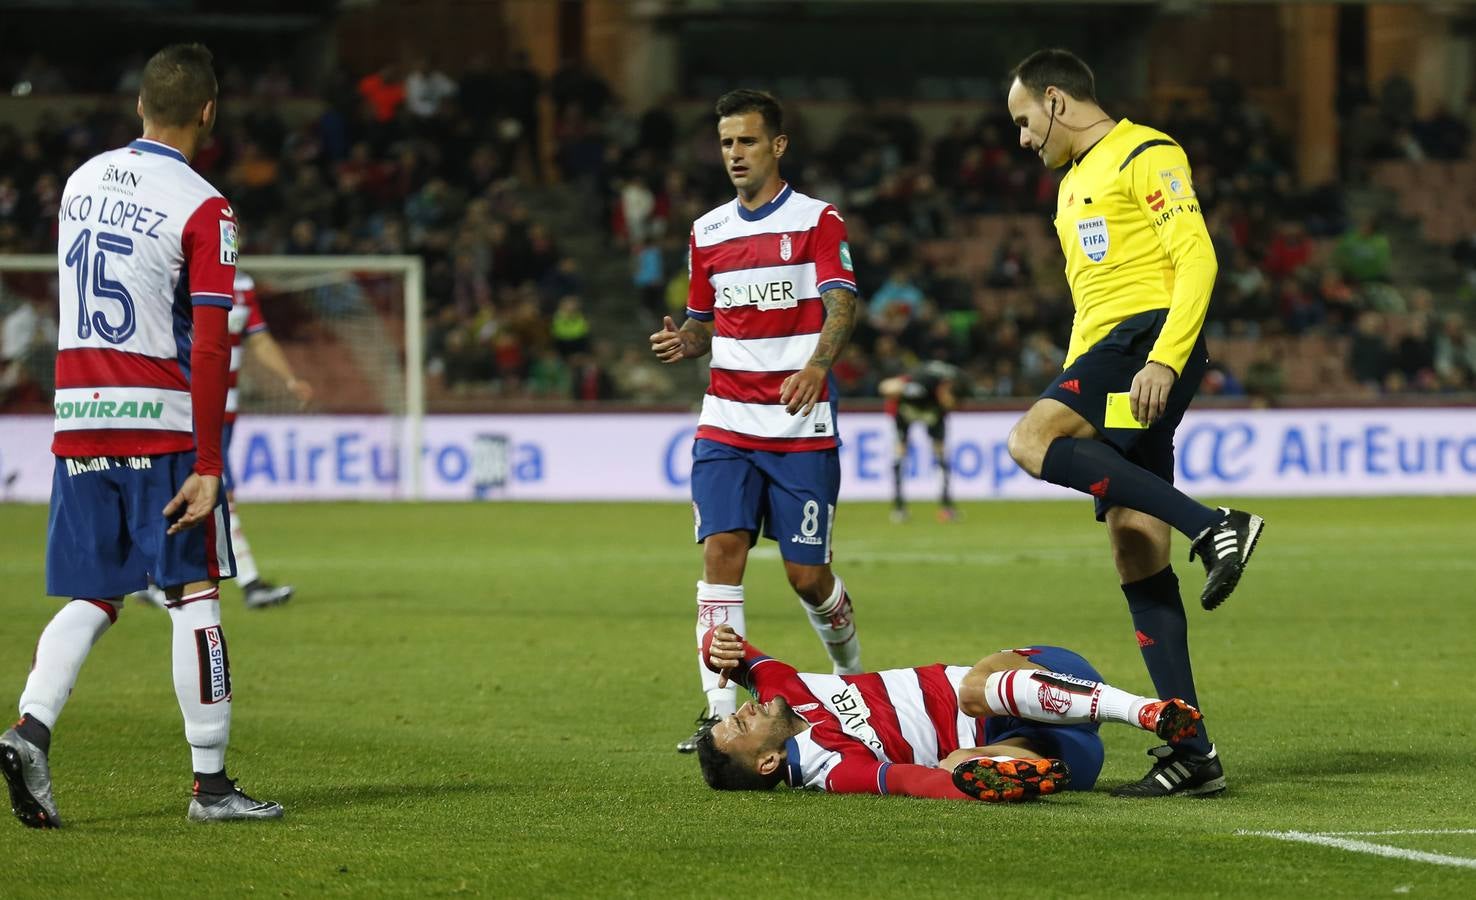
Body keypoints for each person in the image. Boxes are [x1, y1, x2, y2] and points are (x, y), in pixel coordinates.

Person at [0, 44, 282, 829]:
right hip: (156, 417)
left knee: (99, 587)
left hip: (78, 411)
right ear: (209, 112)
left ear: (138, 108)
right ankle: (213, 787)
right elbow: (216, 340)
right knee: (195, 595)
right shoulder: (205, 205)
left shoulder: (81, 181)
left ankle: (30, 726)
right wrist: (210, 460)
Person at [1003, 49, 1264, 796]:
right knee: (1134, 545)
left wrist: (1166, 359)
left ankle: (1214, 525)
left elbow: (1198, 258)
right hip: (1108, 348)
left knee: (1030, 441)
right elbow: (1089, 300)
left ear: (1056, 100)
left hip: (1145, 341)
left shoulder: (1146, 152)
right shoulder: (1072, 186)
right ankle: (1194, 754)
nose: (1024, 140)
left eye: (1025, 121)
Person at [649, 89, 863, 753]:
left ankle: (851, 678)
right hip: (726, 426)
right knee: (722, 556)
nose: (734, 154)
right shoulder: (707, 232)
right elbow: (705, 322)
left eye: (746, 141)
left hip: (799, 431)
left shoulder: (817, 221)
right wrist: (686, 341)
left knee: (808, 577)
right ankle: (717, 709)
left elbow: (842, 306)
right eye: (725, 144)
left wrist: (817, 367)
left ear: (777, 145)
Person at [693, 624, 1203, 802]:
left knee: (973, 692)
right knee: (955, 760)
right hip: (1065, 751)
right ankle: (1025, 776)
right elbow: (910, 782)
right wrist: (966, 784)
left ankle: (1140, 710)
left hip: (1044, 676)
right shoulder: (832, 768)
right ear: (766, 763)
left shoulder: (780, 686)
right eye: (742, 723)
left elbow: (722, 650)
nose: (747, 708)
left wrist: (716, 647)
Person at [135, 270, 310, 610]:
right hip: (186, 405)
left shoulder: (243, 285)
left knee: (189, 488)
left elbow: (258, 338)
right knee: (218, 490)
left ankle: (152, 578)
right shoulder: (178, 276)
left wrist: (289, 379)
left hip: (225, 409)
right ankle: (251, 584)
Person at [879, 360, 960, 523]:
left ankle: (946, 505)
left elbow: (949, 404)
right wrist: (904, 388)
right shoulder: (918, 381)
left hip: (931, 414)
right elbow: (885, 387)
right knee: (900, 455)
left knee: (941, 455)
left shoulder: (945, 390)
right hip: (907, 412)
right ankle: (899, 506)